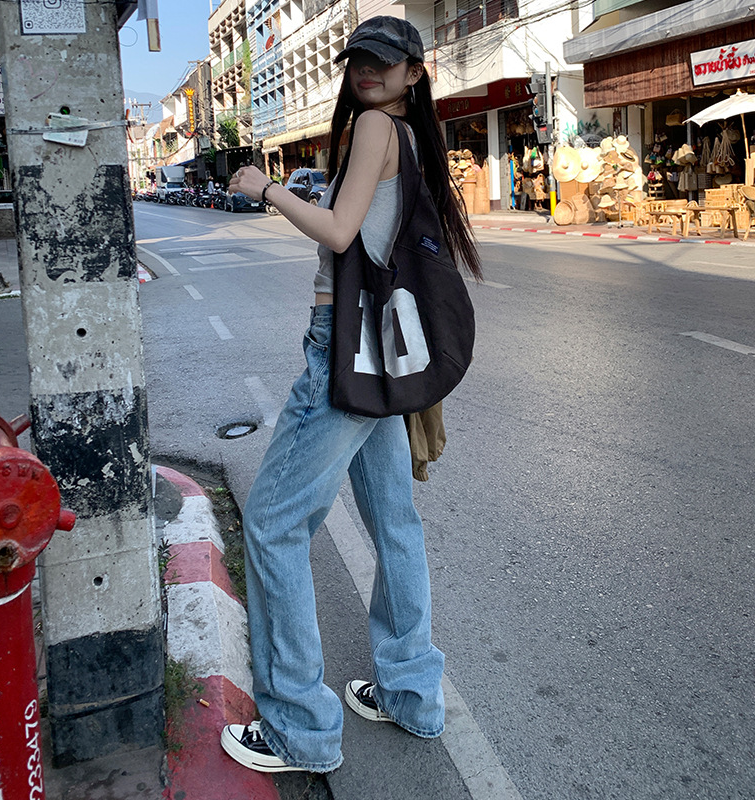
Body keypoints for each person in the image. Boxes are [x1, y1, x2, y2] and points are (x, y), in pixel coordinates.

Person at [221, 15, 482, 774]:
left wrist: (265, 187)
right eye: (358, 60)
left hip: (346, 354)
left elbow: (338, 232)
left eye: (384, 61)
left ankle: (300, 729)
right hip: (382, 356)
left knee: (272, 524)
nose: (367, 71)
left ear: (414, 72)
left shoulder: (374, 127)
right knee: (394, 524)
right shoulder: (414, 136)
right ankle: (411, 694)